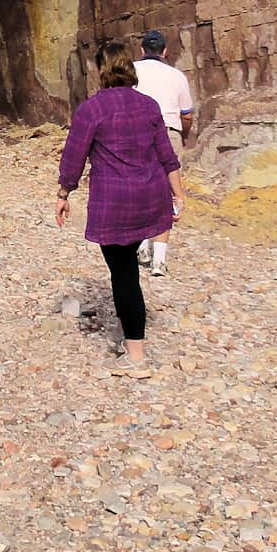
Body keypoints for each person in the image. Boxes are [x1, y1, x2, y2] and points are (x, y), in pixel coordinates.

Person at [56, 38, 185, 375]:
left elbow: (74, 157)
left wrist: (63, 193)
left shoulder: (92, 109)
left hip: (113, 202)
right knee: (127, 272)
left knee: (124, 274)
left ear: (102, 69)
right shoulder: (149, 106)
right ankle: (133, 336)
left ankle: (136, 357)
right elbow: (167, 157)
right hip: (150, 196)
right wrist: (179, 195)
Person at [134, 28, 195, 275]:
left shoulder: (131, 70)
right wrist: (184, 134)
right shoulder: (177, 76)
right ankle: (159, 259)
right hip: (169, 131)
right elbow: (187, 113)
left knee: (139, 188)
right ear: (165, 52)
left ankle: (141, 246)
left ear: (141, 50)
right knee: (166, 193)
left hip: (136, 132)